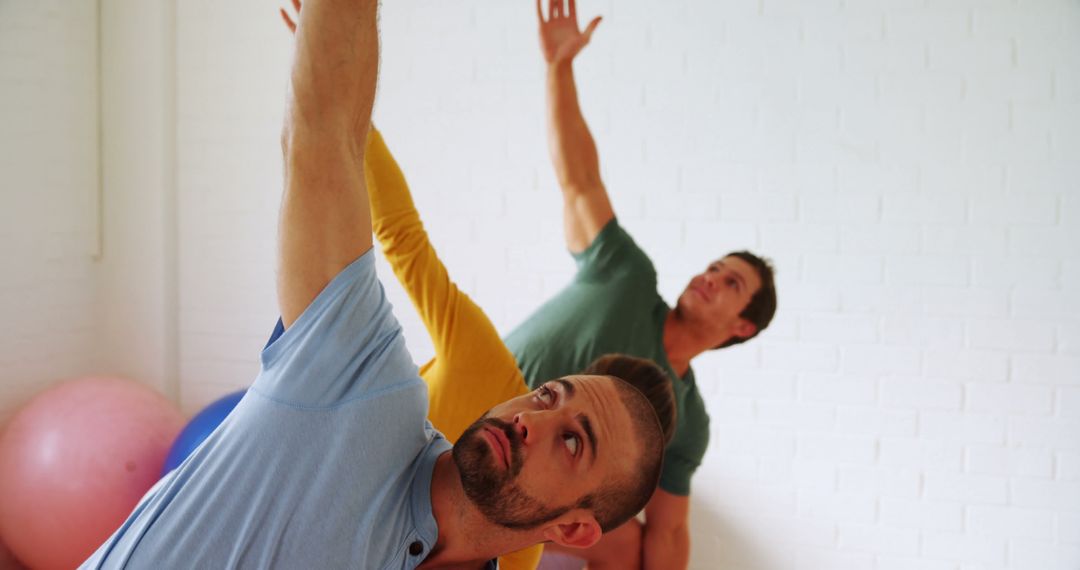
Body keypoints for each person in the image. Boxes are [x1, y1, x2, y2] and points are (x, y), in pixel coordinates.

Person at [80, 1, 667, 568]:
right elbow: (326, 139)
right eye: (547, 396)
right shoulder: (356, 389)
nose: (530, 420)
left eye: (572, 442)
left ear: (572, 530)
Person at [502, 2, 779, 568]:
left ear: (742, 326)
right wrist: (559, 69)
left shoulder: (688, 419)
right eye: (713, 266)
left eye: (730, 282)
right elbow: (579, 180)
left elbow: (671, 533)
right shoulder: (626, 276)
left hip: (531, 487)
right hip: (481, 422)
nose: (709, 277)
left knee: (628, 542)